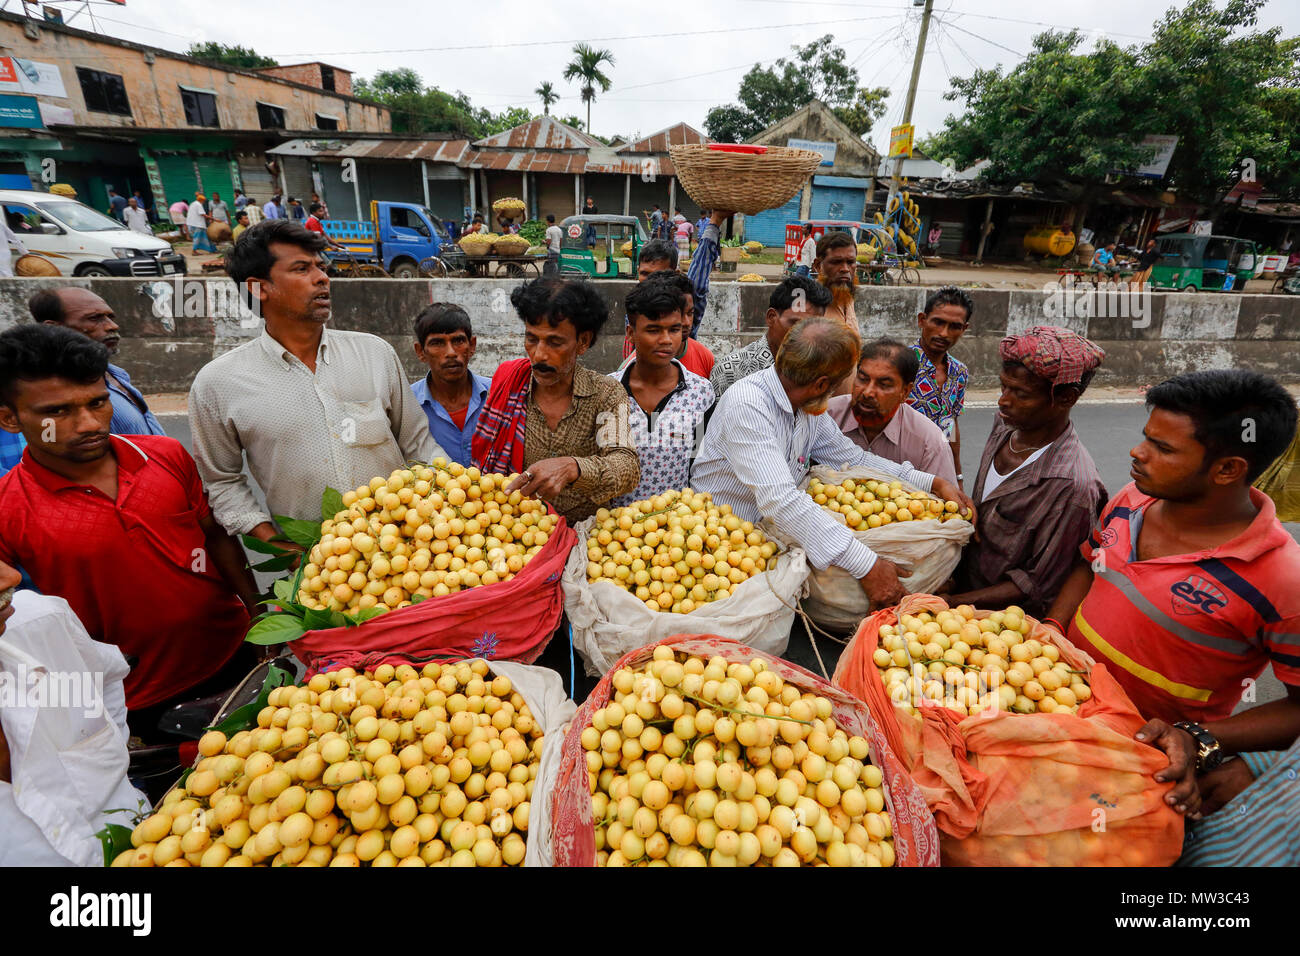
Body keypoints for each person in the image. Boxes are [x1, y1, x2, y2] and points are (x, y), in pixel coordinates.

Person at [1045, 370, 1300, 826]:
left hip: (1136, 761)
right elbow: (1089, 563)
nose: (1137, 453)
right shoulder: (1131, 500)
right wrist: (1051, 629)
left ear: (1227, 469)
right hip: (1054, 709)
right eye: (1147, 438)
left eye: (1162, 448)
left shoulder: (1282, 580)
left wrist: (1202, 737)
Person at [0, 325, 258, 719]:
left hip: (237, 655)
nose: (89, 423)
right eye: (57, 411)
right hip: (132, 697)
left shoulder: (166, 455)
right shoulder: (7, 506)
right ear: (10, 419)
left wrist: (260, 618)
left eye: (98, 403)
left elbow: (216, 538)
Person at [691, 317, 973, 608]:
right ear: (822, 384)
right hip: (717, 546)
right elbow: (780, 499)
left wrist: (932, 482)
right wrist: (867, 565)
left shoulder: (807, 406)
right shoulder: (749, 404)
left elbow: (851, 459)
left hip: (764, 544)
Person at [190, 220, 442, 540]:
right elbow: (221, 482)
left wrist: (452, 497)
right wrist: (280, 546)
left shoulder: (374, 353)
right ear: (257, 287)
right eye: (301, 269)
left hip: (408, 550)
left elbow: (418, 444)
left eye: (320, 267)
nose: (322, 277)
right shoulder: (218, 383)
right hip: (317, 565)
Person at [946, 326, 1107, 617]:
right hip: (964, 585)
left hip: (1003, 621)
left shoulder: (1073, 487)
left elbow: (1037, 585)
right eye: (1003, 386)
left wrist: (950, 603)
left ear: (1066, 398)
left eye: (1020, 393)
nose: (1003, 401)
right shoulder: (1006, 424)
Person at [0, 559, 150, 866]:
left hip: (146, 843)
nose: (10, 577)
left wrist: (112, 749)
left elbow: (106, 675)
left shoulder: (41, 622)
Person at [471, 277, 639, 523]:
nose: (539, 354)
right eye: (532, 339)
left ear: (582, 342)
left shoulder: (606, 394)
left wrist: (574, 468)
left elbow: (627, 467)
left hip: (588, 540)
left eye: (554, 342)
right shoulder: (509, 386)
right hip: (518, 535)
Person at [612, 279, 714, 506]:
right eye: (653, 330)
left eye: (674, 329)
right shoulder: (609, 392)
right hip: (617, 530)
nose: (666, 340)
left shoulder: (700, 394)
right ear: (631, 333)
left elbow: (699, 464)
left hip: (677, 529)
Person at [29, 287, 166, 436]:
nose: (112, 326)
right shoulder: (52, 392)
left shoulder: (115, 374)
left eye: (110, 317)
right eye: (94, 318)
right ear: (53, 328)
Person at [827, 338, 958, 486]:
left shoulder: (930, 443)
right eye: (862, 379)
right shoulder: (826, 416)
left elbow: (944, 502)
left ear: (905, 392)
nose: (868, 392)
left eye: (884, 385)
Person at [710, 275, 832, 398]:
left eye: (813, 328)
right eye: (796, 324)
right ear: (771, 317)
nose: (805, 335)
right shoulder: (732, 370)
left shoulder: (819, 373)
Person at [410, 303, 490, 466]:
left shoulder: (498, 395)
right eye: (437, 343)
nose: (451, 352)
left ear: (472, 346)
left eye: (458, 341)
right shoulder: (408, 405)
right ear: (420, 352)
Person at [907, 286, 972, 483]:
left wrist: (957, 475)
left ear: (964, 329)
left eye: (954, 326)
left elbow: (949, 425)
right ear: (922, 320)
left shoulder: (958, 372)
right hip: (899, 471)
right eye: (938, 322)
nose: (944, 333)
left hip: (938, 472)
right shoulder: (899, 363)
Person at [813, 231, 861, 338]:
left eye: (850, 262)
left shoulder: (847, 297)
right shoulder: (808, 307)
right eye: (836, 262)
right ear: (817, 265)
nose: (845, 269)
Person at [0, 214, 29, 278]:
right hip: (3, 255)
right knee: (6, 276)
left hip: (2, 255)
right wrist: (24, 252)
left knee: (5, 276)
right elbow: (13, 237)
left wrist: (24, 252)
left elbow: (13, 237)